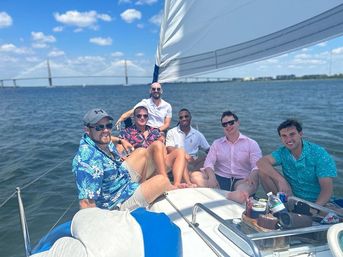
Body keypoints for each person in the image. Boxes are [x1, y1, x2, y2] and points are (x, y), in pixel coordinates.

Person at [72, 108, 170, 211]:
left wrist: (120, 140)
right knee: (162, 181)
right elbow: (86, 202)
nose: (105, 130)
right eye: (99, 127)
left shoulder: (99, 140)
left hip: (120, 180)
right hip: (114, 203)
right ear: (87, 130)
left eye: (108, 126)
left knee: (141, 152)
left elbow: (109, 137)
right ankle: (140, 197)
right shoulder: (88, 159)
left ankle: (141, 187)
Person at [257, 119, 337, 205]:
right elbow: (261, 162)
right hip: (292, 198)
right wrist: (281, 180)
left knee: (298, 218)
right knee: (263, 171)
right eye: (284, 136)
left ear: (300, 134)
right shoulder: (283, 152)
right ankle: (277, 205)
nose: (288, 139)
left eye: (292, 134)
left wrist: (314, 209)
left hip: (315, 202)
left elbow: (327, 190)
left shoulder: (319, 154)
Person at [191, 111, 262, 203]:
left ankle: (225, 194)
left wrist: (253, 174)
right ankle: (231, 195)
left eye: (231, 122)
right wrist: (212, 178)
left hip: (241, 180)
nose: (228, 126)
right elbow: (209, 162)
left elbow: (257, 165)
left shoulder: (251, 143)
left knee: (251, 184)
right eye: (225, 124)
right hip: (220, 178)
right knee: (195, 176)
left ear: (238, 122)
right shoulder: (217, 143)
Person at [119, 105, 194, 188]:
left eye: (145, 116)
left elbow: (163, 148)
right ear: (134, 117)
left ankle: (177, 184)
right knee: (157, 144)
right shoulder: (126, 132)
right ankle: (165, 181)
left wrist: (163, 141)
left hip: (156, 167)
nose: (142, 118)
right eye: (139, 116)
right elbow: (120, 149)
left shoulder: (154, 131)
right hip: (140, 168)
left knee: (180, 151)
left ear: (148, 117)